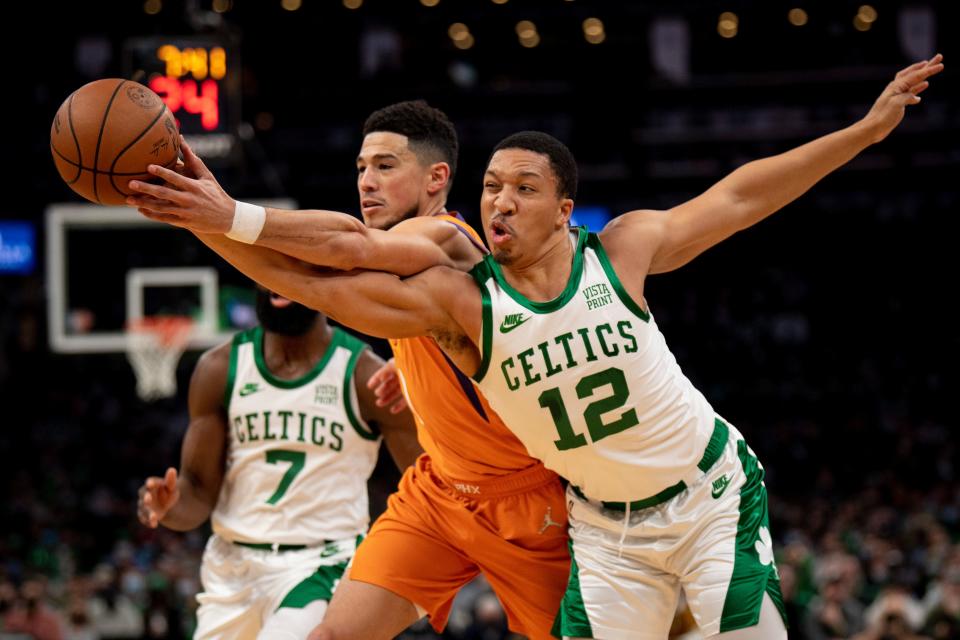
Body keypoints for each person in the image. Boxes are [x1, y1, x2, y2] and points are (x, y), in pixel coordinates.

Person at [141, 56, 942, 639]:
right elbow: (317, 286)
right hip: (509, 502)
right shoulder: (464, 299)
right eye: (493, 186)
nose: (501, 200)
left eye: (522, 188)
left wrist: (864, 133)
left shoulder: (562, 250)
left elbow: (738, 195)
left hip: (633, 498)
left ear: (565, 208)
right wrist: (206, 219)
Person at [129, 101, 572, 640]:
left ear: (437, 178)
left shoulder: (448, 239)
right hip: (441, 493)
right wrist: (200, 218)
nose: (367, 181)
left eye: (385, 166)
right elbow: (309, 285)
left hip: (523, 498)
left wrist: (224, 214)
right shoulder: (406, 267)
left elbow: (342, 254)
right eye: (361, 167)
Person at [136, 286, 421, 639]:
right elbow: (197, 495)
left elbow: (428, 479)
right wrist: (168, 506)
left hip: (322, 564)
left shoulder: (364, 375)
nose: (275, 280)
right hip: (231, 569)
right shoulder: (219, 368)